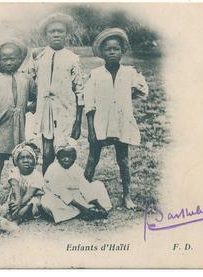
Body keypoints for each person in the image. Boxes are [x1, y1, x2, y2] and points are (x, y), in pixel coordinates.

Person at [84, 28, 149, 210]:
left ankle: (127, 196)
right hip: (100, 123)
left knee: (123, 160)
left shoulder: (128, 73)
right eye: (108, 49)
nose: (112, 52)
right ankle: (83, 193)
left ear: (122, 51)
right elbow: (89, 103)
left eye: (116, 49)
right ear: (102, 53)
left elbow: (143, 89)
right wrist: (91, 130)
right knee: (92, 159)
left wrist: (130, 94)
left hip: (121, 123)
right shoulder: (96, 74)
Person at [30, 13, 85, 174]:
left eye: (60, 31)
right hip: (45, 110)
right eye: (52, 31)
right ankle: (47, 186)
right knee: (47, 152)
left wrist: (77, 121)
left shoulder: (72, 59)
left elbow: (79, 90)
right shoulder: (38, 56)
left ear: (66, 34)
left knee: (64, 150)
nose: (56, 34)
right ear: (46, 35)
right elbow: (28, 80)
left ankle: (64, 185)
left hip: (66, 111)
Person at [0, 38, 37, 211]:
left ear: (19, 59)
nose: (9, 62)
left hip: (20, 126)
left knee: (20, 161)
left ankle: (18, 195)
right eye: (5, 59)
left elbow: (37, 97)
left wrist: (24, 109)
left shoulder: (27, 79)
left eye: (12, 58)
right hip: (0, 128)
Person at [40, 138, 112, 224]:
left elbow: (84, 186)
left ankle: (93, 209)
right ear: (57, 157)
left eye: (70, 156)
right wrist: (83, 209)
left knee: (98, 185)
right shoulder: (53, 169)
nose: (66, 159)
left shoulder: (76, 168)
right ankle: (84, 212)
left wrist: (99, 205)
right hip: (60, 198)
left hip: (76, 196)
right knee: (48, 201)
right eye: (63, 156)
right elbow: (62, 193)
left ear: (75, 157)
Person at [0, 142, 44, 231]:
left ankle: (15, 221)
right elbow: (15, 188)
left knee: (26, 208)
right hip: (18, 198)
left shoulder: (37, 175)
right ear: (16, 161)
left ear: (34, 160)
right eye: (21, 158)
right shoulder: (14, 171)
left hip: (30, 200)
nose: (26, 160)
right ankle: (9, 218)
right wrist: (17, 202)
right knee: (12, 199)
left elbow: (29, 194)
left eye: (29, 157)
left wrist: (19, 204)